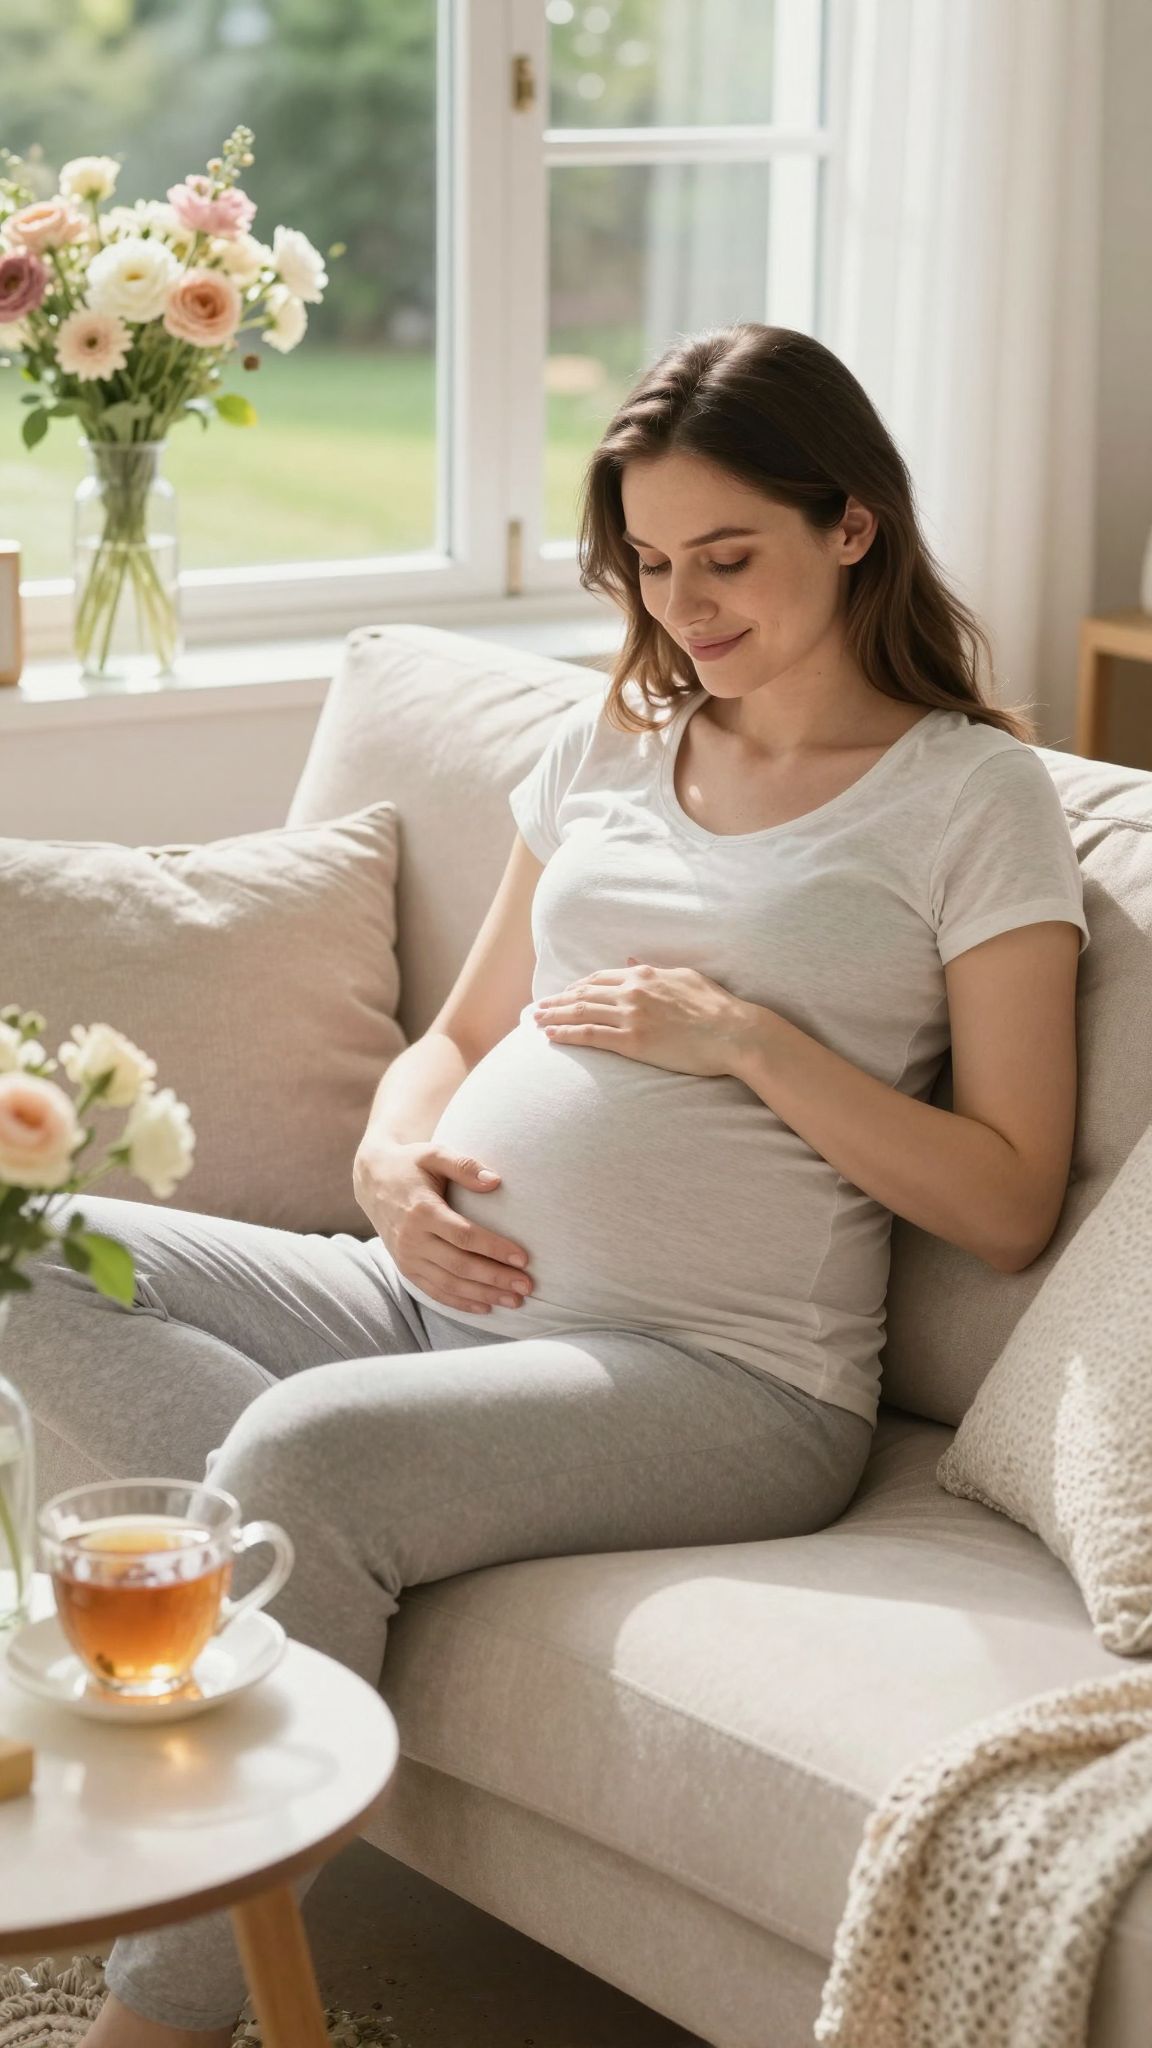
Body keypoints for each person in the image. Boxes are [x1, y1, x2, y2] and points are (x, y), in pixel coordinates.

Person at [11, 321, 1088, 2046]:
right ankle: (302, 1586)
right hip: (418, 1292)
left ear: (851, 526)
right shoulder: (609, 741)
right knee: (29, 1249)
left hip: (727, 1378)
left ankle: (157, 2018)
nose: (686, 607)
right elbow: (455, 1036)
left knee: (309, 1457)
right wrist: (385, 1147)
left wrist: (746, 1040)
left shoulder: (971, 798)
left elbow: (1012, 1198)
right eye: (653, 565)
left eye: (727, 558)